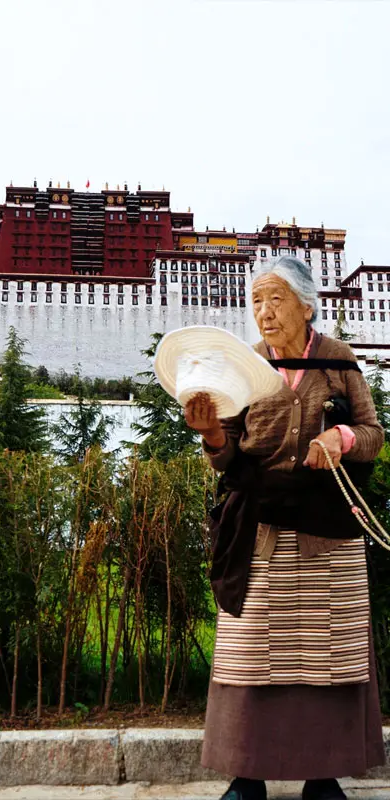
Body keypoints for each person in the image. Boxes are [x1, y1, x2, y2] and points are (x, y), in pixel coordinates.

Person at [184, 256, 385, 800]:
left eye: (275, 300)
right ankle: (247, 777)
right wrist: (211, 437)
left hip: (328, 533)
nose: (264, 313)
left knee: (329, 655)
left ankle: (324, 777)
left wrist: (339, 439)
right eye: (256, 302)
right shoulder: (243, 367)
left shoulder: (339, 361)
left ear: (305, 304)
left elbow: (372, 432)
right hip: (260, 531)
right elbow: (226, 455)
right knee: (251, 655)